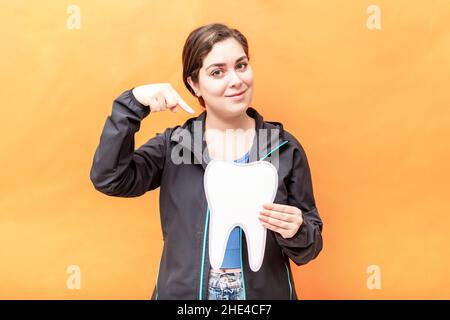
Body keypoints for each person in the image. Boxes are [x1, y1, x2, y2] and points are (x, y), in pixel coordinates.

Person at [90, 23, 323, 300]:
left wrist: (298, 230)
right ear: (194, 84)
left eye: (242, 65)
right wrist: (132, 104)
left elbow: (311, 247)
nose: (236, 80)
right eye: (217, 72)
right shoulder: (174, 145)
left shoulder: (284, 147)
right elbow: (110, 178)